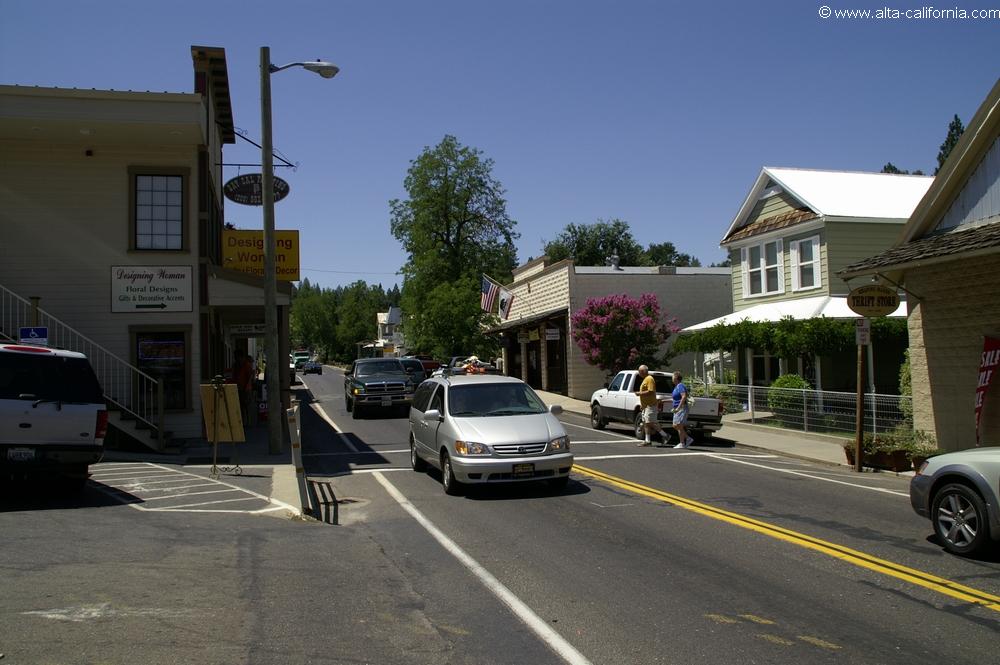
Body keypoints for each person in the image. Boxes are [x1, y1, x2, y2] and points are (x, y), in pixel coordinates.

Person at [634, 364, 667, 447]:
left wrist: (639, 393)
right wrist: (642, 404)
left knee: (650, 422)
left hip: (651, 405)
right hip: (646, 406)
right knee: (646, 423)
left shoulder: (649, 379)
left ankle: (665, 435)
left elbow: (651, 391)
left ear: (642, 371)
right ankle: (647, 440)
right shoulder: (645, 379)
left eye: (639, 371)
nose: (639, 373)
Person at [671, 370, 695, 449]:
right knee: (675, 425)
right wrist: (664, 400)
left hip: (681, 408)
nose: (672, 378)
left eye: (673, 377)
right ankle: (688, 438)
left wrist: (678, 408)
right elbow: (675, 399)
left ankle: (682, 443)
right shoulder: (677, 386)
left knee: (678, 425)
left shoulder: (680, 386)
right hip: (677, 408)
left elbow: (684, 396)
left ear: (676, 378)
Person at [235, 354, 254, 427]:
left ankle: (247, 422)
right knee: (244, 406)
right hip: (244, 389)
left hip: (245, 389)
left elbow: (248, 378)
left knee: (245, 406)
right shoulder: (244, 367)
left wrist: (245, 387)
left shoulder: (246, 366)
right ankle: (246, 421)